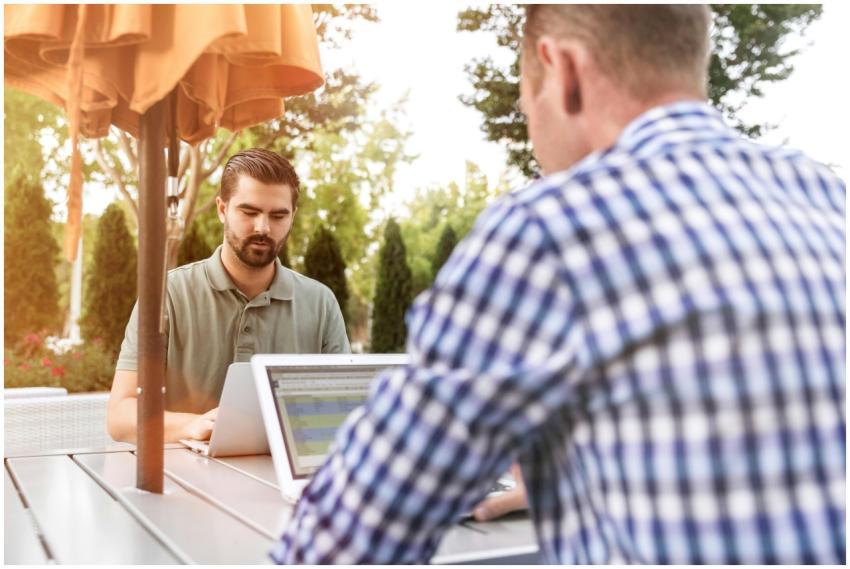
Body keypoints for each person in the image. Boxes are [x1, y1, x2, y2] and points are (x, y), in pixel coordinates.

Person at [271, 5, 845, 564]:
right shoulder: (828, 198)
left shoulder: (550, 229)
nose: (530, 123)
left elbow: (349, 538)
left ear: (562, 70)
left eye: (527, 101)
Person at [107, 148, 350, 444]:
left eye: (278, 215)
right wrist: (192, 426)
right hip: (185, 478)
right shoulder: (166, 295)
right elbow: (119, 417)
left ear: (292, 216)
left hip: (282, 479)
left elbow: (343, 411)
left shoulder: (321, 303)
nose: (263, 227)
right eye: (249, 212)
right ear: (222, 209)